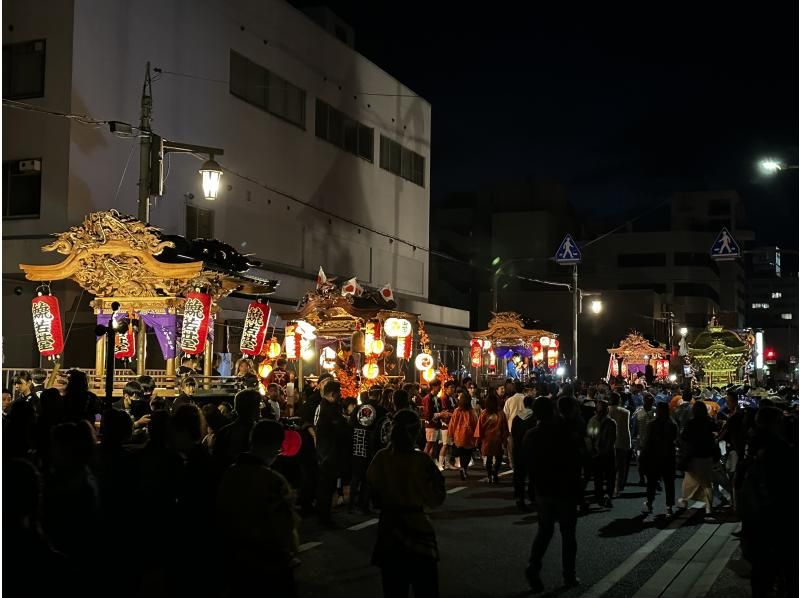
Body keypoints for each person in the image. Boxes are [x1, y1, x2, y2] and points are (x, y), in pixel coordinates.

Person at [368, 410, 446, 598]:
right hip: (418, 530)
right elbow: (437, 498)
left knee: (394, 591)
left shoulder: (381, 458)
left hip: (389, 530)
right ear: (416, 432)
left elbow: (372, 495)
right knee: (426, 590)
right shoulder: (421, 461)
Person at [217, 420, 300, 598]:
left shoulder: (229, 474)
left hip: (234, 560)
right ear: (275, 446)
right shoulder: (273, 481)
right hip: (268, 565)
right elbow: (284, 530)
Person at [523, 397, 583, 593]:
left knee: (544, 531)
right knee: (568, 534)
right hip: (564, 489)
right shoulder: (564, 432)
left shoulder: (531, 435)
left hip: (542, 489)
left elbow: (527, 466)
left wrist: (531, 489)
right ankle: (569, 574)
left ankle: (534, 565)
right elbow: (575, 462)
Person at [349, 386, 389, 513]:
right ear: (379, 396)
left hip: (357, 445)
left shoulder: (357, 409)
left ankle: (350, 504)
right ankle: (363, 505)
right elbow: (384, 432)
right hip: (372, 448)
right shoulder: (382, 411)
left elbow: (350, 426)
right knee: (368, 478)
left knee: (355, 477)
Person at [315, 381, 350, 525]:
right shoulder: (328, 410)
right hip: (328, 454)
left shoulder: (328, 408)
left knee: (327, 487)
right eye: (338, 392)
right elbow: (340, 430)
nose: (340, 395)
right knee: (327, 487)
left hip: (326, 453)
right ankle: (324, 517)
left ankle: (324, 515)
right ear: (332, 394)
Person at [677, 401, 718, 514]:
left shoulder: (691, 423)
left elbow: (684, 437)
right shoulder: (709, 422)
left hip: (694, 455)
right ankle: (709, 508)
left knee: (689, 481)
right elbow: (715, 432)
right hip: (707, 454)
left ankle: (685, 500)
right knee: (707, 483)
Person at [641, 402, 678, 515]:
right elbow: (675, 439)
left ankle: (649, 503)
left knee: (651, 482)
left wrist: (643, 455)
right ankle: (669, 506)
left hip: (654, 456)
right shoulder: (672, 424)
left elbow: (647, 442)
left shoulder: (652, 424)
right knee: (669, 483)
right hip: (668, 456)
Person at [213, 389, 261, 469]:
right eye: (258, 405)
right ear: (250, 408)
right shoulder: (259, 432)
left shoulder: (225, 431)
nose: (260, 409)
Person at [586, 399, 617, 508]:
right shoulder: (607, 422)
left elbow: (592, 437)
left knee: (603, 477)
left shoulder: (608, 422)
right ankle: (604, 496)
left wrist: (595, 450)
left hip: (603, 453)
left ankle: (605, 496)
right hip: (603, 453)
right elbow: (590, 437)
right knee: (604, 477)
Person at [475, 392, 508, 484]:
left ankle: (489, 475)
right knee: (499, 458)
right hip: (498, 439)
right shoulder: (501, 413)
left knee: (488, 459)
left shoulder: (484, 413)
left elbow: (479, 428)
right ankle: (495, 473)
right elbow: (504, 428)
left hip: (487, 439)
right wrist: (505, 440)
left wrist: (478, 440)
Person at [511, 395, 537, 510]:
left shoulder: (517, 418)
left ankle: (519, 497)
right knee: (533, 475)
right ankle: (532, 497)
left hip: (518, 449)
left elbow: (513, 434)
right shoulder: (534, 418)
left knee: (519, 475)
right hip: (531, 451)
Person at [448, 388, 478, 481]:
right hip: (469, 436)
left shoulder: (457, 411)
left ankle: (462, 468)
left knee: (461, 454)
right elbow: (475, 423)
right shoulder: (471, 411)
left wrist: (451, 434)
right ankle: (464, 468)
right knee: (467, 454)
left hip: (458, 435)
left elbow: (452, 423)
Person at [607, 392, 631, 496]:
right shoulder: (626, 412)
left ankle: (610, 486)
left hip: (609, 442)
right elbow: (627, 429)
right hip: (622, 441)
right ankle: (618, 487)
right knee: (621, 467)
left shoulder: (606, 410)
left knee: (610, 467)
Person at [633, 392, 657, 486]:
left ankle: (653, 479)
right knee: (639, 460)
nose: (648, 402)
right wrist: (634, 437)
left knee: (652, 461)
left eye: (650, 400)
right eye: (647, 400)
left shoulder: (655, 411)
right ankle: (642, 478)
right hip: (640, 440)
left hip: (652, 441)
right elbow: (634, 424)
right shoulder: (638, 411)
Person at [503, 380, 526, 468]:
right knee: (522, 447)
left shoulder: (509, 400)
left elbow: (505, 415)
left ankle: (513, 464)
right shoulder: (526, 399)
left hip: (511, 427)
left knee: (512, 448)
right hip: (523, 427)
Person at [436, 381, 456, 470]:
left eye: (453, 387)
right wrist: (454, 415)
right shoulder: (444, 398)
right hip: (445, 424)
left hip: (451, 423)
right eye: (451, 387)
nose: (453, 389)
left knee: (449, 445)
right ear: (446, 389)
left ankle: (447, 463)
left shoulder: (451, 398)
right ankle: (440, 464)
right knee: (445, 444)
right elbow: (445, 412)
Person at [422, 379, 443, 459]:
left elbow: (439, 411)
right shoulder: (427, 398)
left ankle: (431, 462)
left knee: (435, 444)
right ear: (433, 387)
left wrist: (442, 414)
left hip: (437, 424)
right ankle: (423, 461)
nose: (440, 387)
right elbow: (428, 414)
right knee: (429, 444)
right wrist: (440, 414)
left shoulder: (438, 398)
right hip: (430, 424)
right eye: (438, 386)